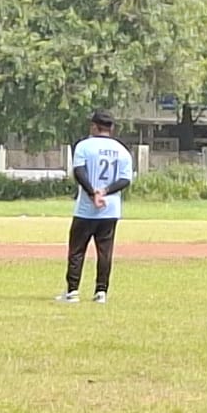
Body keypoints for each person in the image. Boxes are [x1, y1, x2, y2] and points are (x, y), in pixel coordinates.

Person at [57, 109, 134, 303]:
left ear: (93, 126)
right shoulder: (122, 150)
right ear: (112, 128)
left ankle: (72, 291)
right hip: (110, 209)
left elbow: (79, 172)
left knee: (77, 250)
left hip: (86, 209)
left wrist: (92, 193)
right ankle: (101, 291)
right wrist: (105, 192)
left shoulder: (84, 146)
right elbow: (125, 179)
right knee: (105, 251)